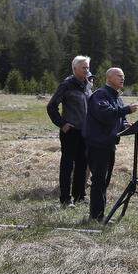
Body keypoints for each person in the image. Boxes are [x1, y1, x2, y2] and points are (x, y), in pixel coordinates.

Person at [84, 67, 138, 222]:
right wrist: (126, 110)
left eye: (123, 76)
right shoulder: (101, 94)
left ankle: (99, 214)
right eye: (119, 76)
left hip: (109, 144)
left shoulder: (117, 97)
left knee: (105, 181)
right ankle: (96, 217)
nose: (122, 78)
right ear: (109, 78)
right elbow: (105, 115)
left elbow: (118, 119)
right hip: (98, 144)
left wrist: (126, 125)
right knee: (99, 181)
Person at [46, 55, 93, 208]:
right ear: (74, 69)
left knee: (82, 164)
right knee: (67, 166)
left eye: (87, 67)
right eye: (83, 68)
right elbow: (51, 106)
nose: (87, 70)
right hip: (70, 132)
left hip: (85, 132)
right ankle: (65, 199)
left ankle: (79, 196)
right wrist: (62, 124)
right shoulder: (66, 85)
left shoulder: (88, 85)